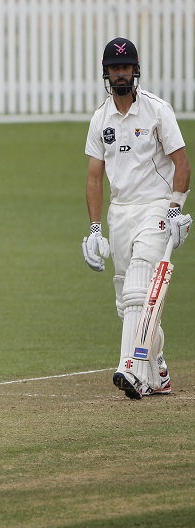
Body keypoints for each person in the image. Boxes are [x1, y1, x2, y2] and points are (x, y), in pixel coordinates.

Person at [82, 37, 192, 399]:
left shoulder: (158, 110)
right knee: (128, 302)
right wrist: (96, 228)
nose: (121, 74)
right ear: (106, 73)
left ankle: (131, 367)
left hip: (156, 206)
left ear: (136, 69)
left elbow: (181, 163)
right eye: (115, 69)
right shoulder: (100, 119)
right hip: (121, 212)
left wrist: (175, 208)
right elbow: (94, 177)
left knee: (140, 287)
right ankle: (157, 367)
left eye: (126, 67)